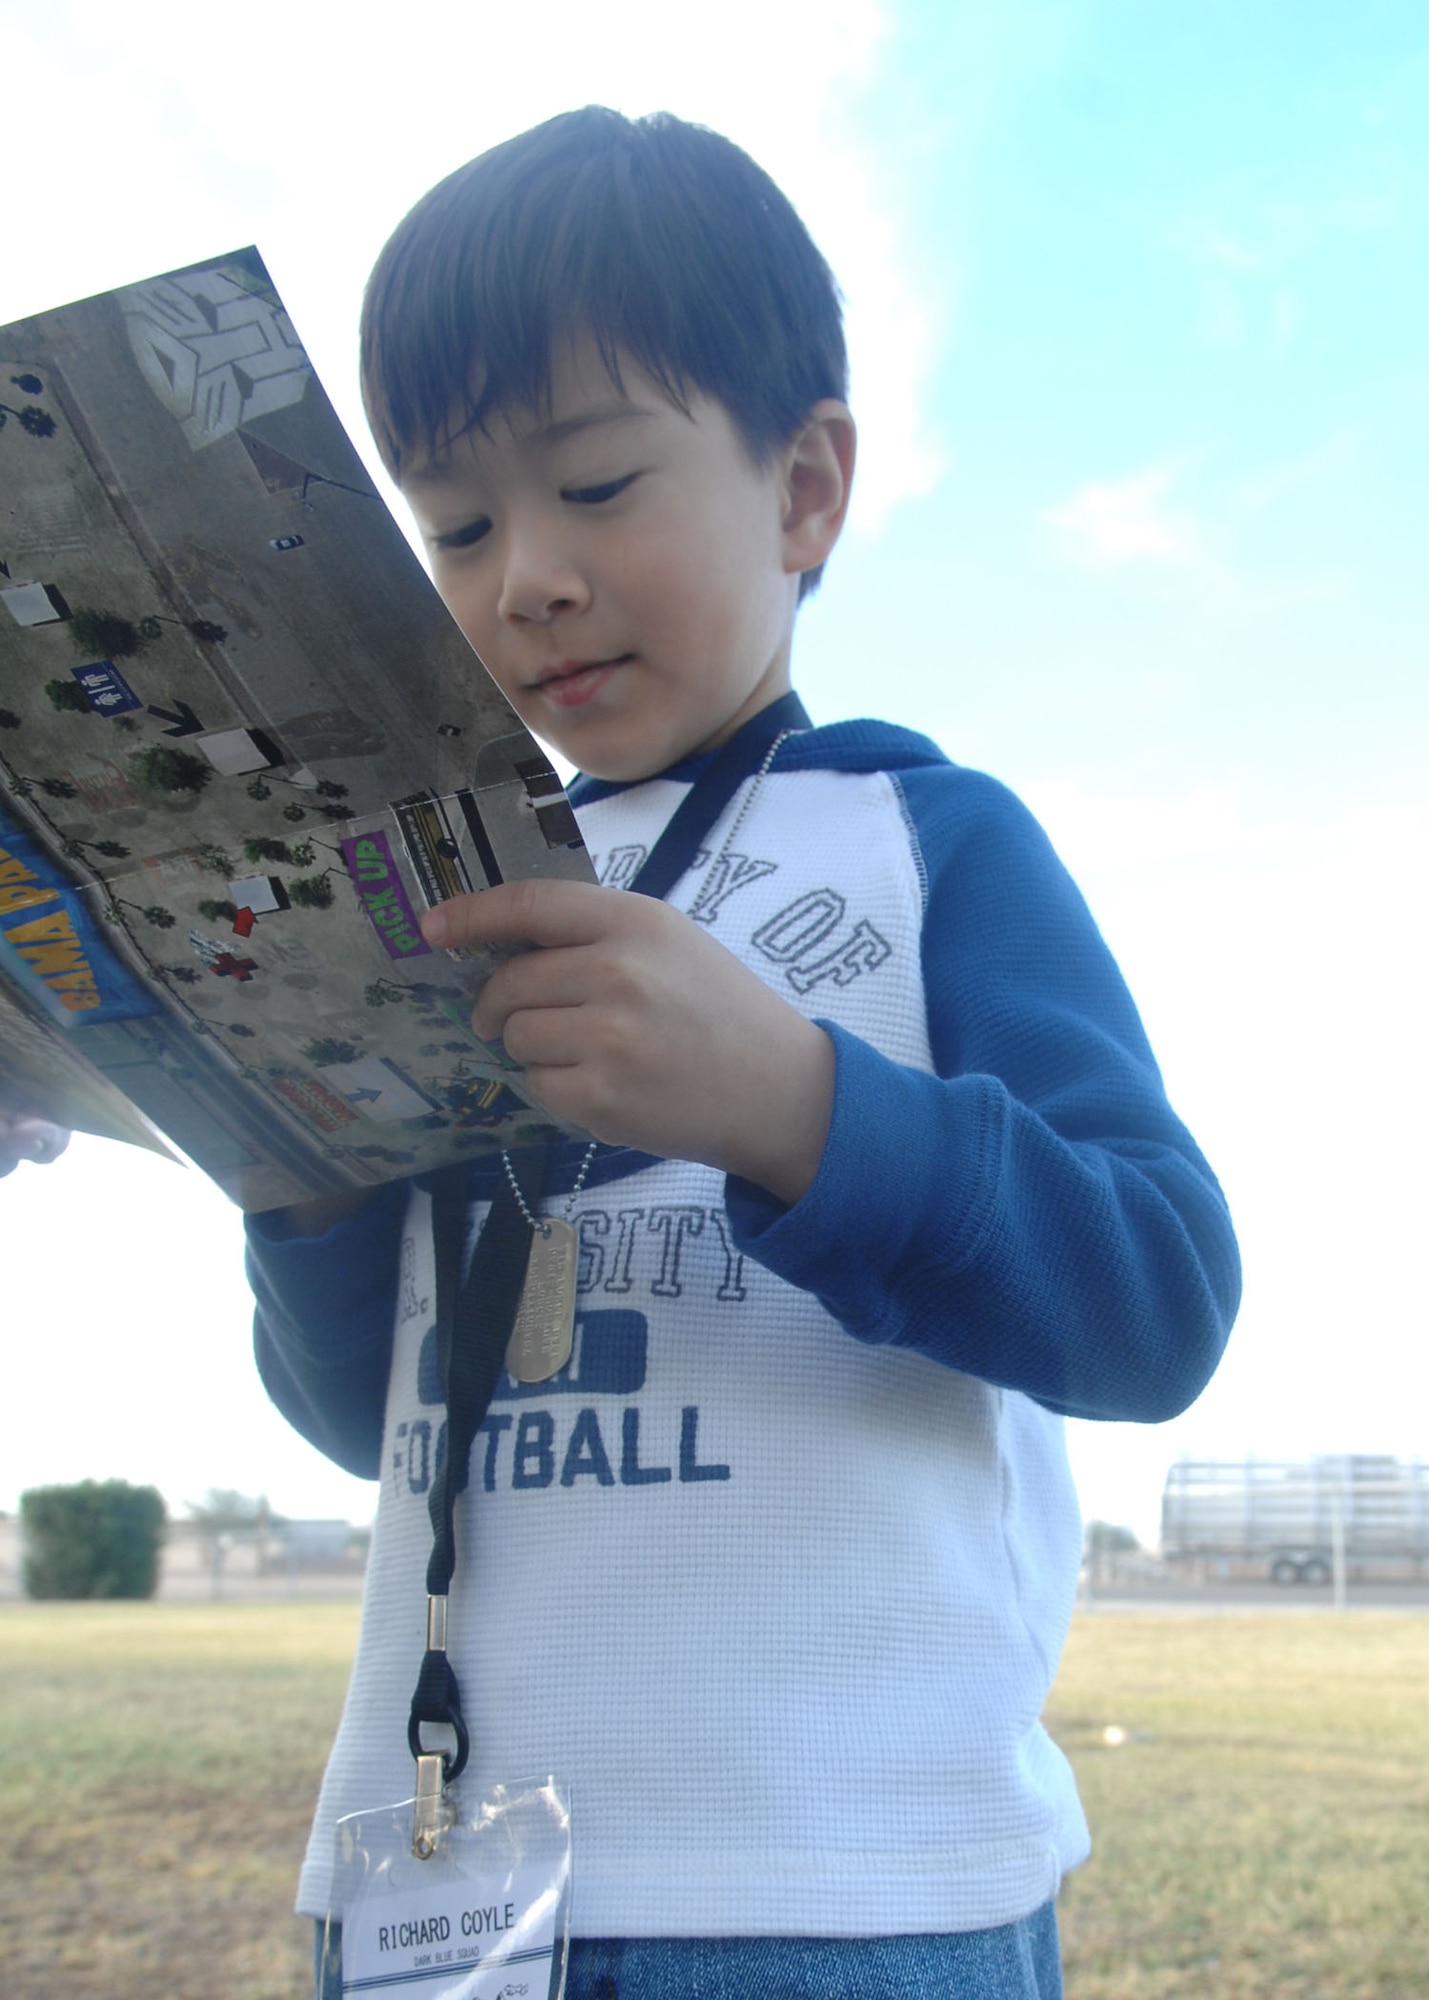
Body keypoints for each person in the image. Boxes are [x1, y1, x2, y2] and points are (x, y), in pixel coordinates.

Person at [247, 107, 1241, 2000]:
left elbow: (1159, 1296)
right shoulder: (433, 896)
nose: (521, 572)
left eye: (597, 483)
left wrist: (795, 1107)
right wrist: (289, 1171)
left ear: (801, 490)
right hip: (434, 1898)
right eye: (452, 525)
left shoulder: (923, 840)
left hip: (845, 1887)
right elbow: (374, 1426)